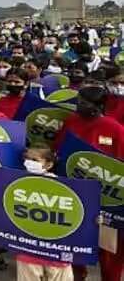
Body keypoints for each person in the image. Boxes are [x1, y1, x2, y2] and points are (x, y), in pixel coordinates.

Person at [54, 86, 124, 281]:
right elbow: (59, 151)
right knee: (75, 245)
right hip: (75, 193)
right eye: (79, 101)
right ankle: (79, 276)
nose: (80, 105)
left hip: (107, 201)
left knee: (109, 252)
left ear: (99, 106)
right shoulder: (71, 122)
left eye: (85, 103)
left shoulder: (115, 129)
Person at [4, 146, 74, 281]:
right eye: (27, 159)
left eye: (35, 159)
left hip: (56, 251)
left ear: (49, 164)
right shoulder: (15, 182)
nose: (29, 162)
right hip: (28, 250)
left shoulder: (64, 188)